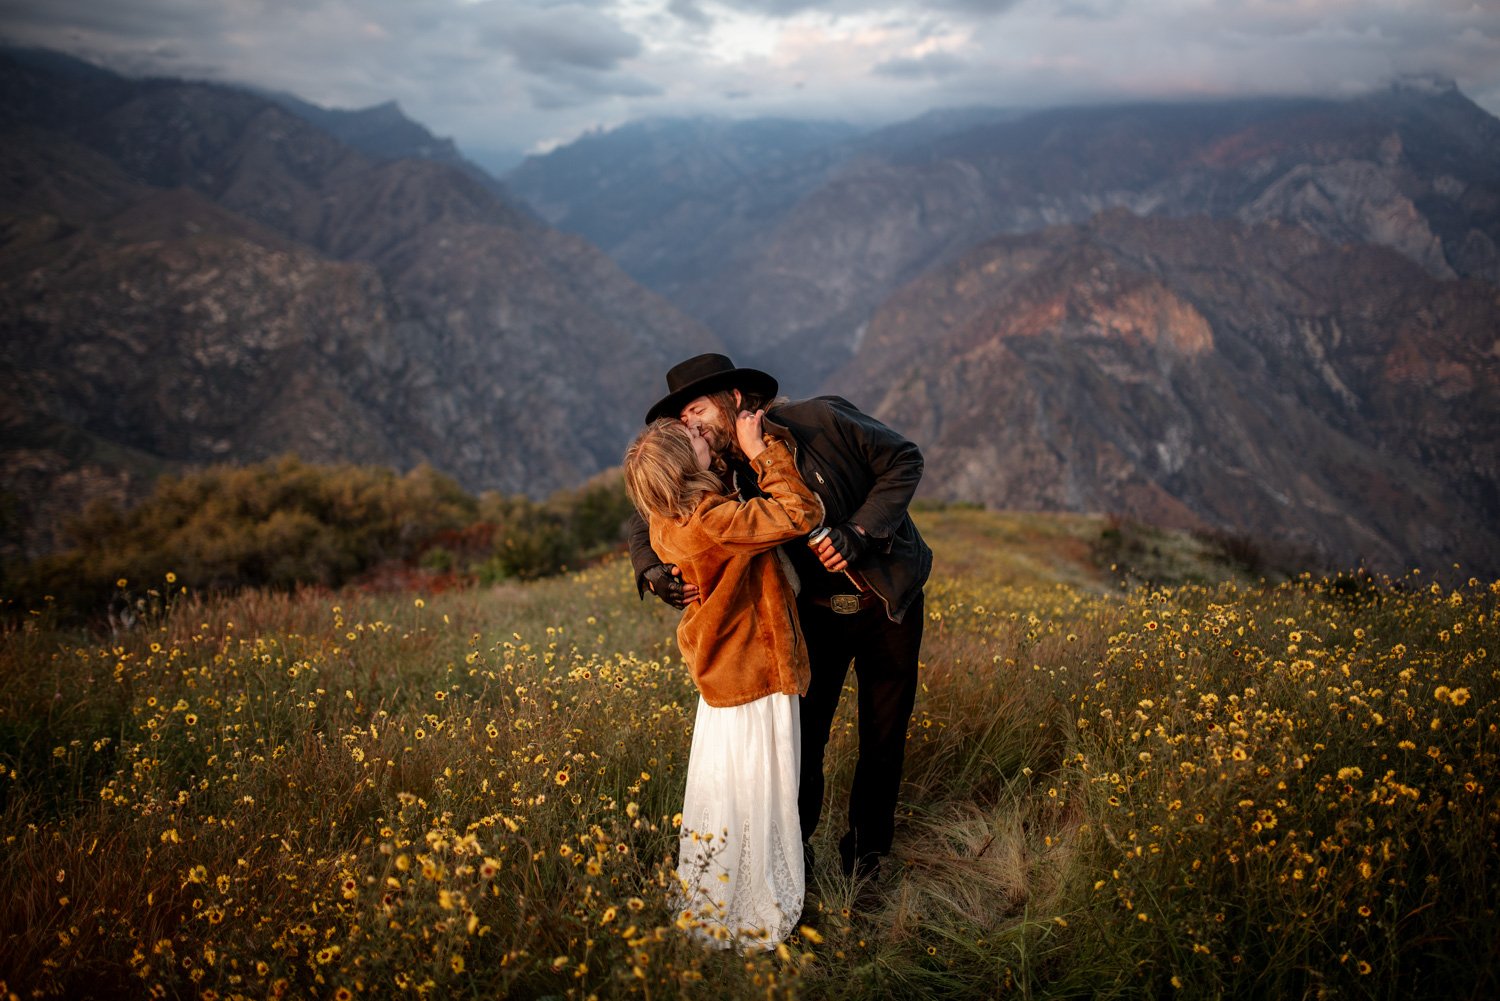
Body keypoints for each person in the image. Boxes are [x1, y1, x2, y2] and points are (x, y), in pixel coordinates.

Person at [631, 353, 931, 885]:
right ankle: (796, 853)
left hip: (888, 604)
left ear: (734, 400)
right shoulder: (715, 468)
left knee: (884, 736)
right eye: (682, 419)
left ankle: (868, 856)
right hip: (810, 618)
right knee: (804, 740)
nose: (689, 424)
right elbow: (650, 508)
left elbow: (903, 460)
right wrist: (654, 570)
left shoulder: (821, 419)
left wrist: (860, 533)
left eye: (696, 410)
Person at [622, 411, 823, 949]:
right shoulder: (716, 522)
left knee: (725, 787)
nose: (701, 434)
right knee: (763, 788)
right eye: (691, 437)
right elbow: (801, 512)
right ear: (682, 464)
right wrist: (760, 451)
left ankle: (715, 886)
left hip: (722, 672)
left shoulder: (669, 519)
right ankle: (754, 900)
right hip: (755, 667)